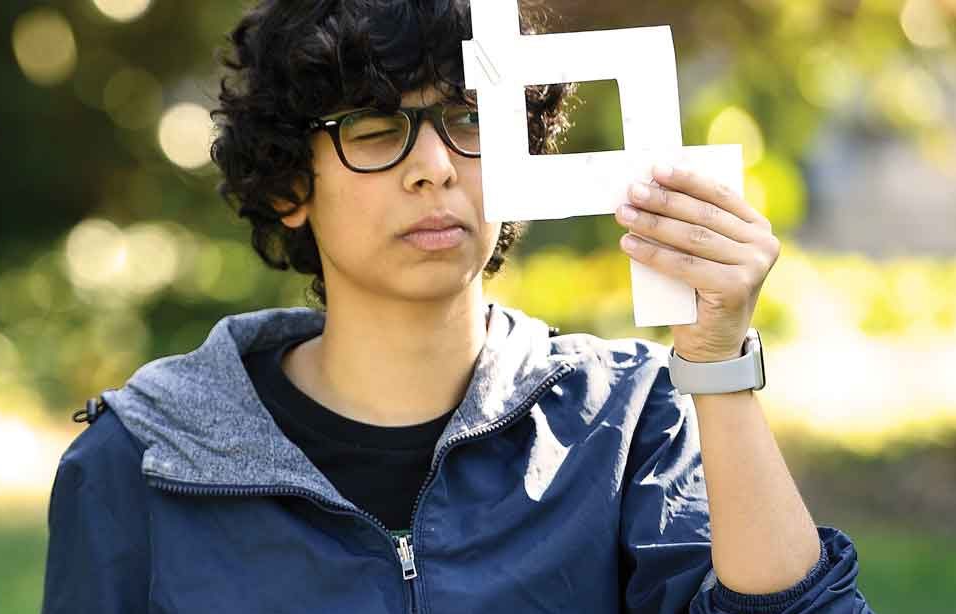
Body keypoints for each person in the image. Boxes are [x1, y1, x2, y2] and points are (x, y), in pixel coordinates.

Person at [42, 1, 874, 612]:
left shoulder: (630, 422)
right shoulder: (141, 464)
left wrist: (718, 362)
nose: (436, 167)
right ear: (290, 182)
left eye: (470, 119)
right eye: (374, 128)